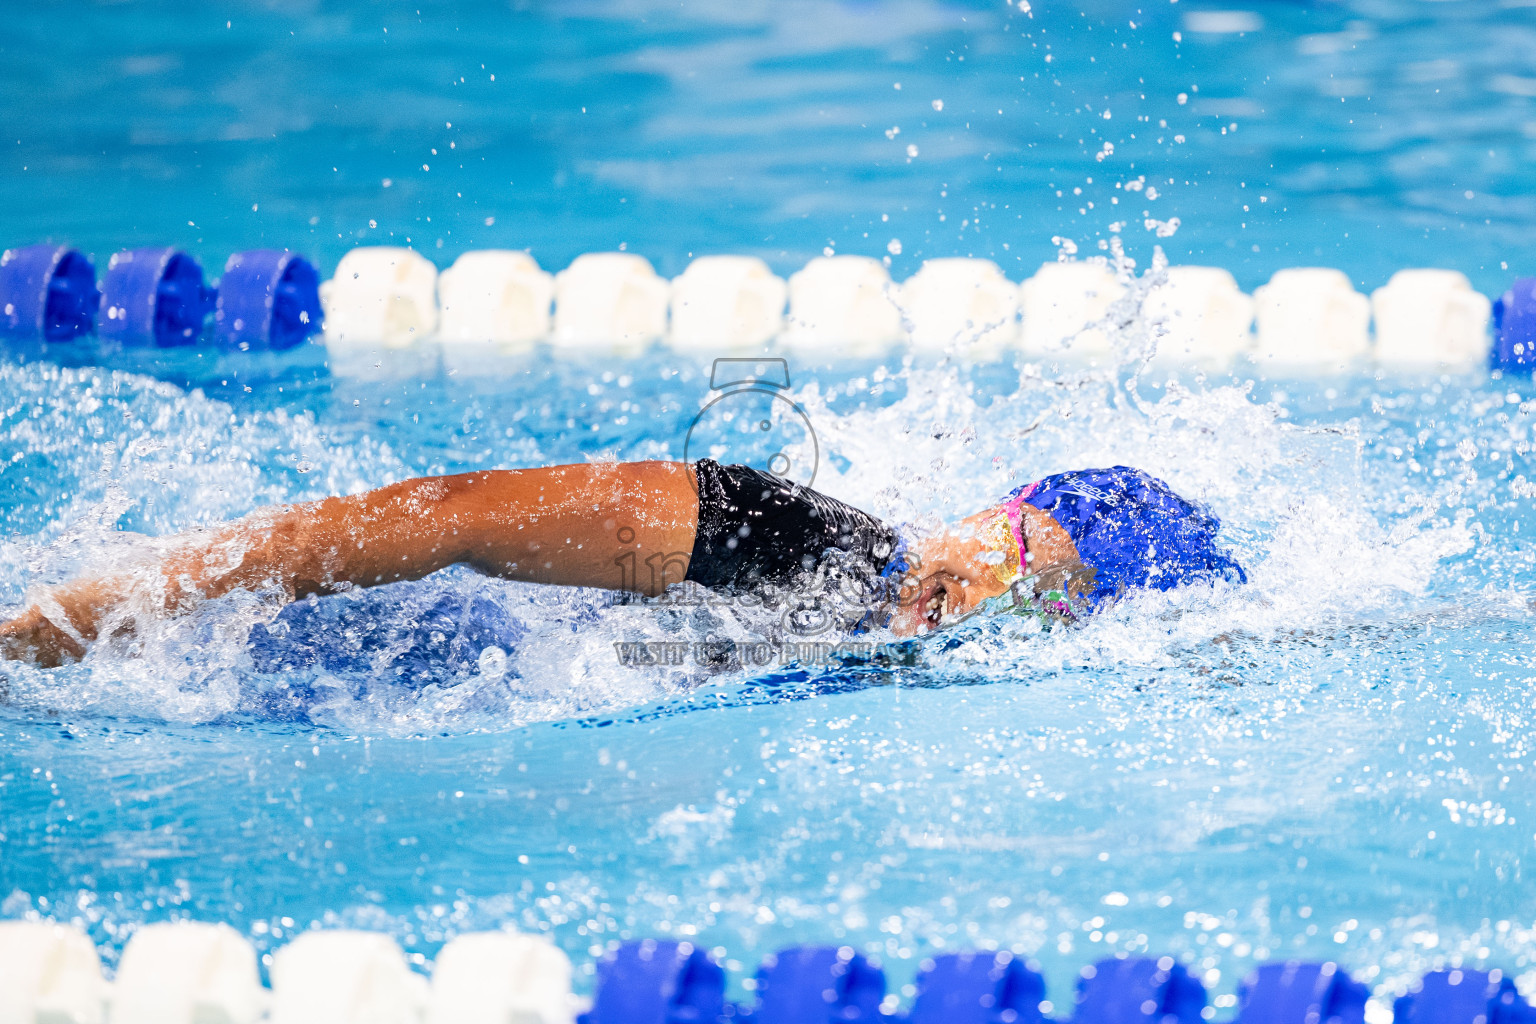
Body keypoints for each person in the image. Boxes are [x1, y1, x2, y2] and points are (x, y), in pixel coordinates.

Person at [0, 459, 1245, 667]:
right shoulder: (805, 543)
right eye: (1006, 541)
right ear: (994, 507)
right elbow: (449, 513)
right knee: (444, 510)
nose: (969, 587)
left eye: (1038, 581)